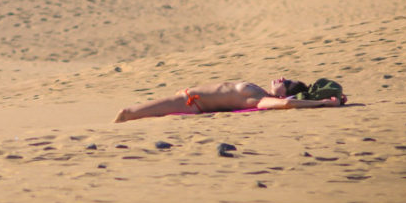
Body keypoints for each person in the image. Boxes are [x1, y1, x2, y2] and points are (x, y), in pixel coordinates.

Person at [113, 78, 345, 123]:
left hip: (189, 103)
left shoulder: (260, 99)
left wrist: (325, 103)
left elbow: (287, 105)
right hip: (184, 96)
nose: (282, 78)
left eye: (287, 82)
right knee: (128, 113)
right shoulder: (259, 91)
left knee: (127, 113)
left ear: (284, 93)